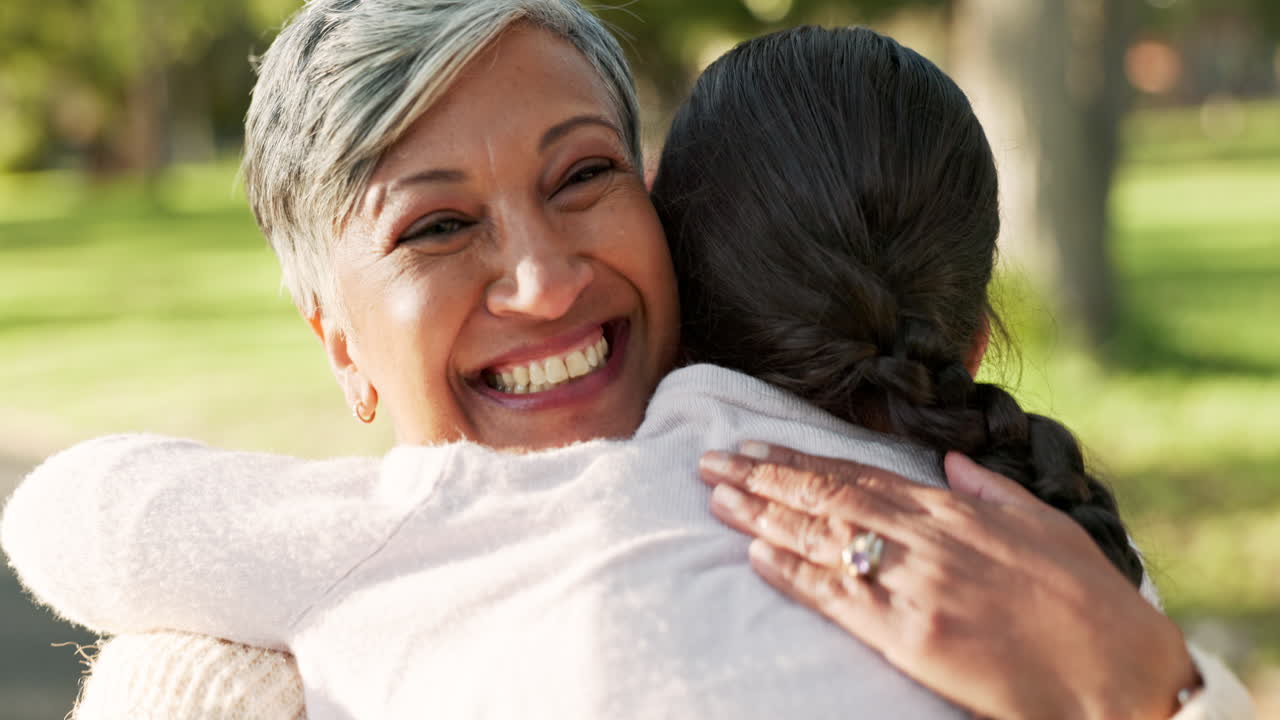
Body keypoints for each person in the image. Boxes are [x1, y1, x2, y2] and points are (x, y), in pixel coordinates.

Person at [0, 3, 1253, 720]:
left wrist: (1158, 696)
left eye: (584, 176)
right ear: (340, 345)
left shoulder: (1023, 576)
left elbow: (72, 513)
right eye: (437, 227)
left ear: (673, 216)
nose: (543, 281)